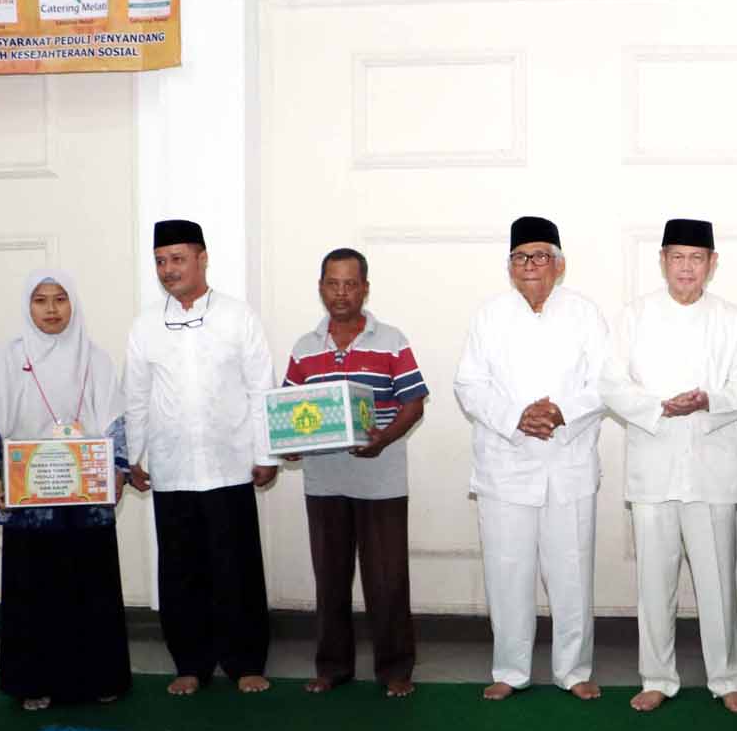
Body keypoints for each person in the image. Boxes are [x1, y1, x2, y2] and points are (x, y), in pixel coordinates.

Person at [601, 218, 737, 714]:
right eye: (677, 257)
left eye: (696, 258)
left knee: (718, 582)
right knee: (654, 581)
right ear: (663, 261)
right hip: (654, 463)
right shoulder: (634, 315)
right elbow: (611, 383)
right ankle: (657, 676)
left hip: (711, 465)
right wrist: (659, 408)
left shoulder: (731, 319)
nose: (686, 267)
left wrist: (708, 400)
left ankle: (728, 677)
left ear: (712, 263)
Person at [455, 217, 611, 702]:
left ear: (559, 265)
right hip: (506, 463)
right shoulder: (490, 315)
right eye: (521, 257)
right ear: (510, 266)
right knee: (507, 571)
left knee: (572, 573)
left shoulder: (585, 314)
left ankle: (574, 670)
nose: (530, 265)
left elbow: (605, 383)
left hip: (568, 461)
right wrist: (516, 417)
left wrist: (560, 413)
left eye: (540, 256)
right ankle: (510, 669)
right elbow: (469, 385)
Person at [125, 219, 278, 696]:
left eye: (177, 259)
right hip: (172, 468)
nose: (168, 269)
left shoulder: (237, 316)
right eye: (160, 261)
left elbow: (261, 388)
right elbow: (136, 395)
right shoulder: (146, 324)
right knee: (180, 571)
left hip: (230, 464)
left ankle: (245, 663)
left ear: (202, 258)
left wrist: (266, 451)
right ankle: (190, 664)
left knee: (237, 570)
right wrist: (133, 456)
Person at [0, 270, 131, 710]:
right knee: (34, 589)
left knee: (91, 585)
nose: (51, 309)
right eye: (40, 300)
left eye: (60, 299)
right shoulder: (8, 359)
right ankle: (34, 683)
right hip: (31, 499)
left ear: (73, 304)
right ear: (28, 306)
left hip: (85, 496)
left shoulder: (94, 359)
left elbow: (115, 421)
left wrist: (118, 469)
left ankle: (100, 678)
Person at [282, 248, 428, 698]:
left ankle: (396, 670)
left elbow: (414, 403)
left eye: (350, 284)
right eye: (332, 283)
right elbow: (287, 411)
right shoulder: (304, 348)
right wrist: (288, 445)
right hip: (324, 482)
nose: (341, 293)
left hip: (381, 481)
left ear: (365, 288)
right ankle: (332, 668)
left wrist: (383, 438)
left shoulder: (391, 340)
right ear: (321, 287)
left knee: (387, 581)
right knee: (330, 579)